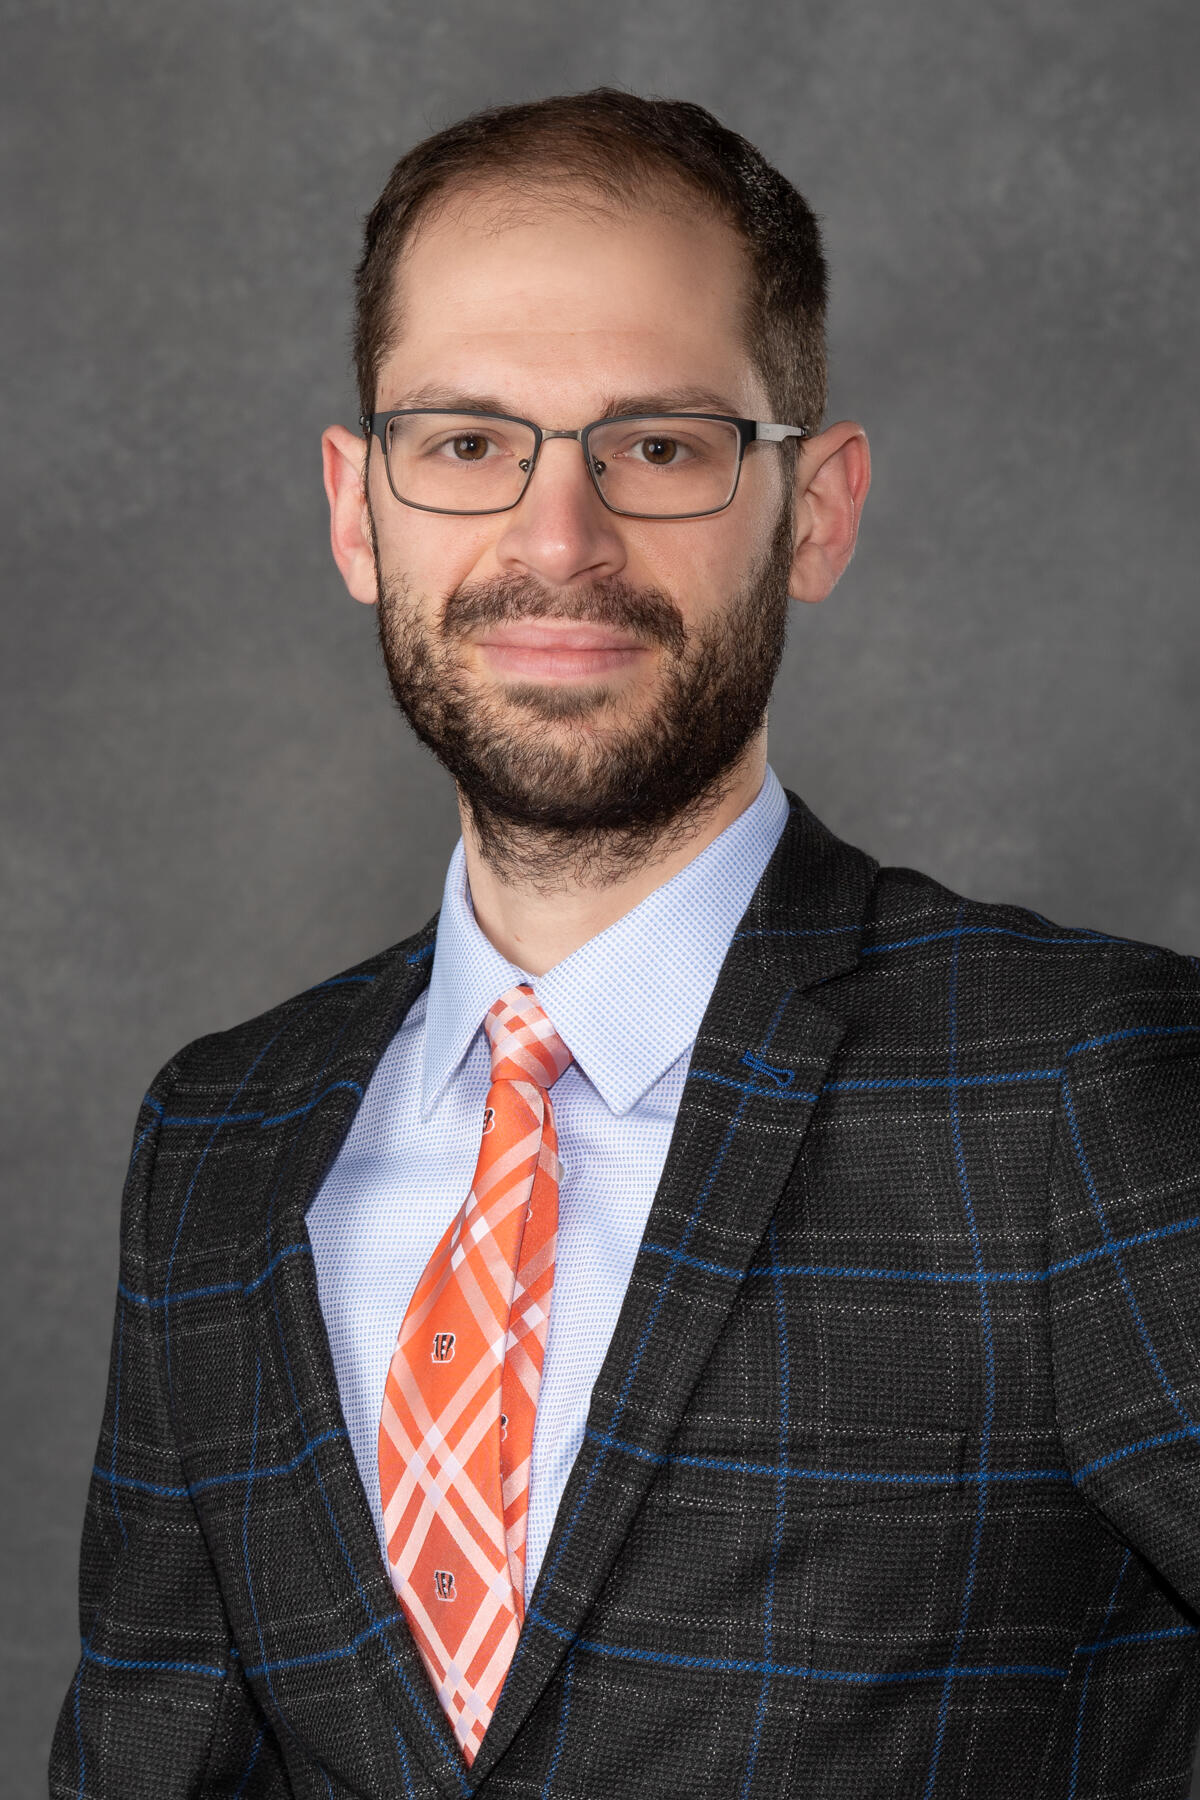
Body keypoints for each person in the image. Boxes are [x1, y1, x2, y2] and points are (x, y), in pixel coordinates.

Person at [51, 89, 1199, 1800]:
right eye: (464, 443)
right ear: (359, 511)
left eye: (659, 444)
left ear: (814, 509)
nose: (557, 540)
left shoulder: (1081, 1091)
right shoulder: (218, 1142)